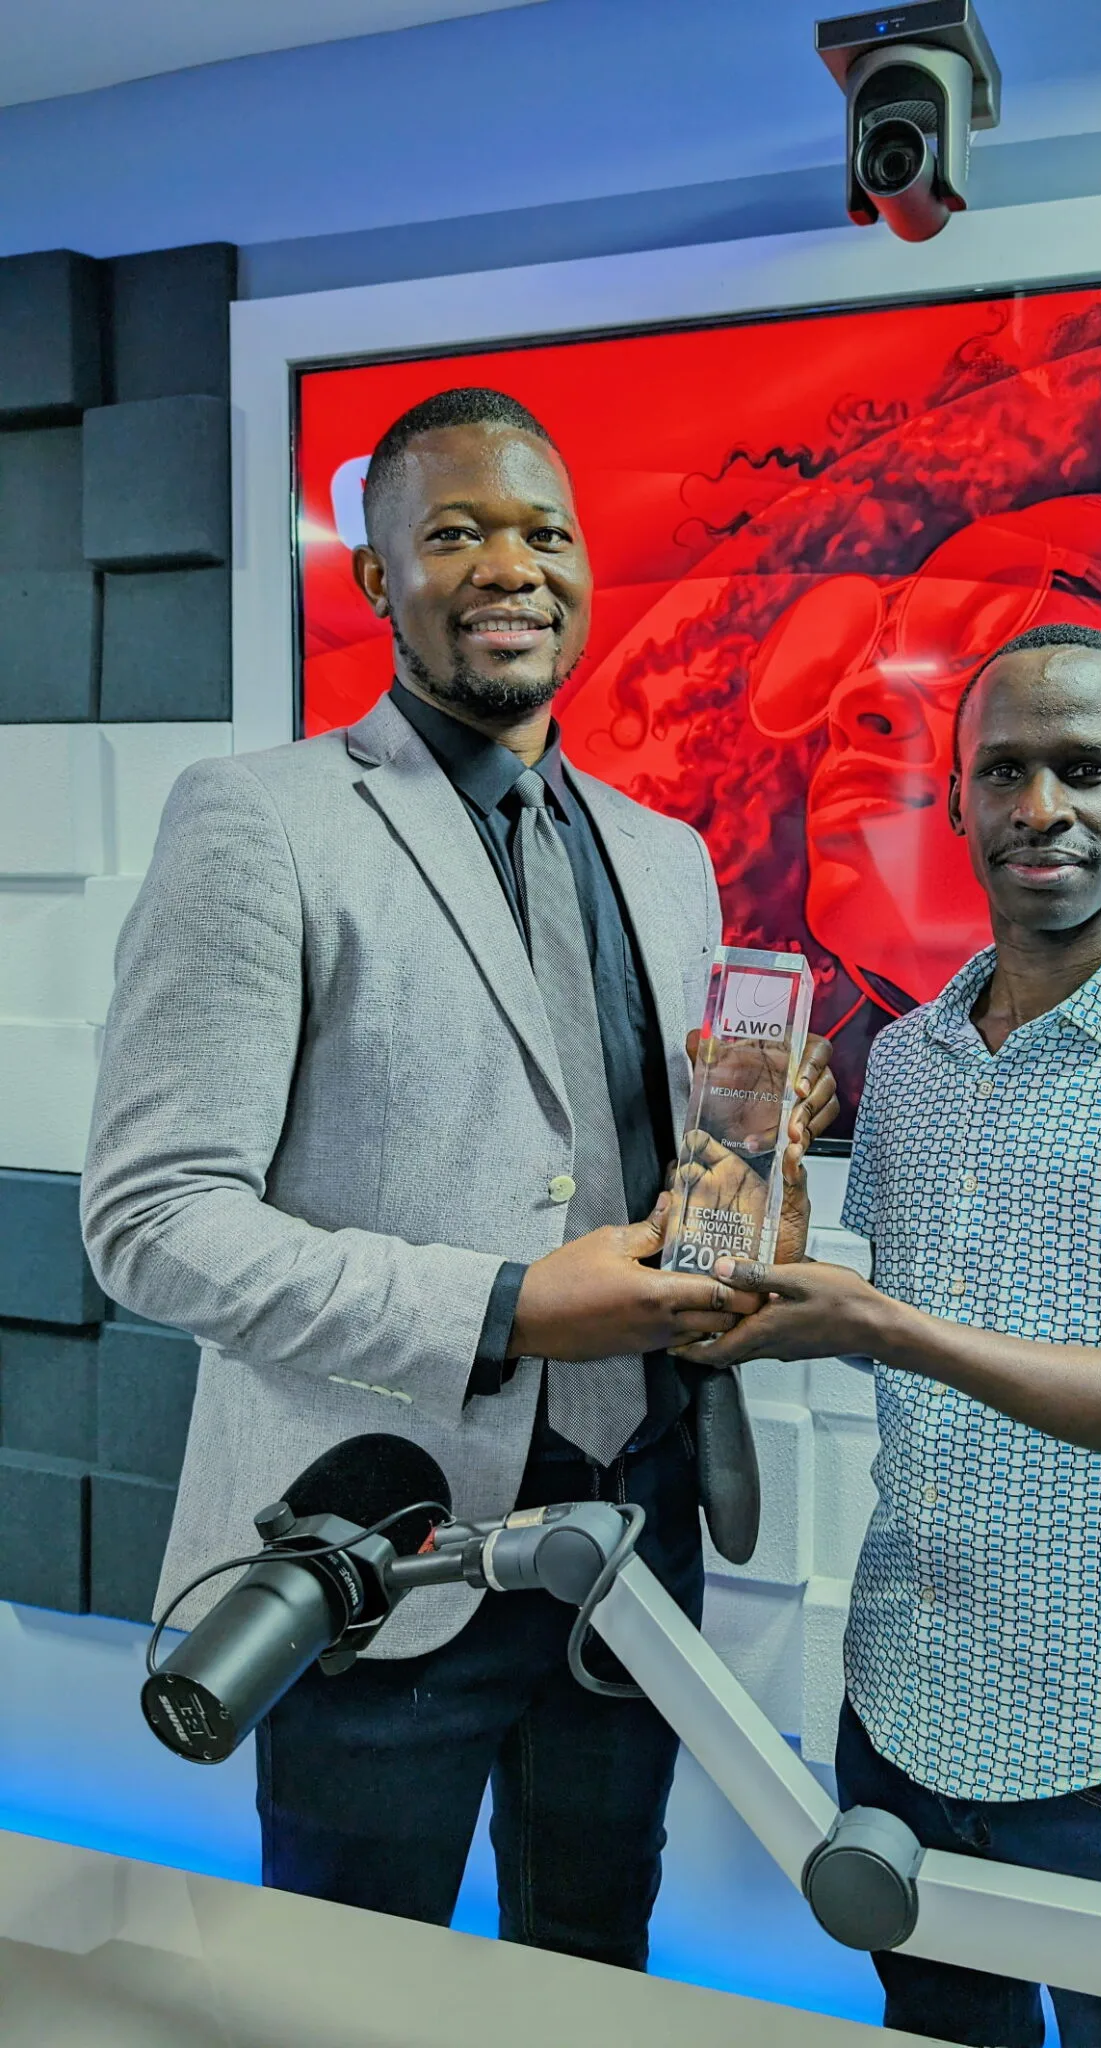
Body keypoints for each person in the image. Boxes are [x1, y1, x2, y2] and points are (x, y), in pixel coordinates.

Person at [80, 386, 835, 1966]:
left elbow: (636, 1162)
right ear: (375, 578)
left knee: (594, 1961)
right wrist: (504, 1307)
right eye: (456, 532)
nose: (511, 566)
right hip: (383, 1544)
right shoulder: (260, 822)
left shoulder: (665, 855)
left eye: (544, 532)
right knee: (355, 1984)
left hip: (635, 1530)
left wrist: (756, 1176)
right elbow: (154, 1223)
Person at [680, 621, 1101, 2047]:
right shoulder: (909, 1058)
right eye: (1004, 771)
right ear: (958, 796)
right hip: (900, 1713)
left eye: (1085, 769)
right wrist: (772, 1241)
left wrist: (887, 1327)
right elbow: (918, 1312)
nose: (1040, 807)